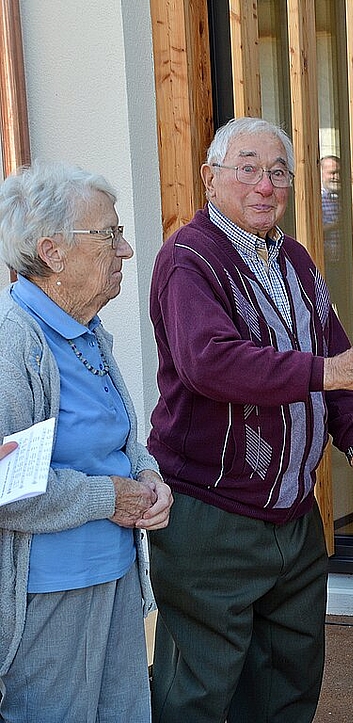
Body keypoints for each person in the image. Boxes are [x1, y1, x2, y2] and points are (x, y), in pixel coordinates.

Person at [148, 117, 353, 723]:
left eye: (279, 172)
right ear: (211, 179)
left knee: (287, 685)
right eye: (248, 169)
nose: (265, 186)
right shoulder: (188, 259)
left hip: (294, 517)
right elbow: (210, 363)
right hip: (211, 516)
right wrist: (330, 372)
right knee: (198, 692)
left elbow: (335, 359)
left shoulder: (293, 257)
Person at [0, 161, 173, 722]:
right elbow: (8, 487)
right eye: (109, 235)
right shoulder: (14, 340)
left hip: (116, 571)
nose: (124, 250)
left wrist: (148, 478)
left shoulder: (87, 330)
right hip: (49, 590)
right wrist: (110, 497)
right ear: (52, 252)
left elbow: (118, 437)